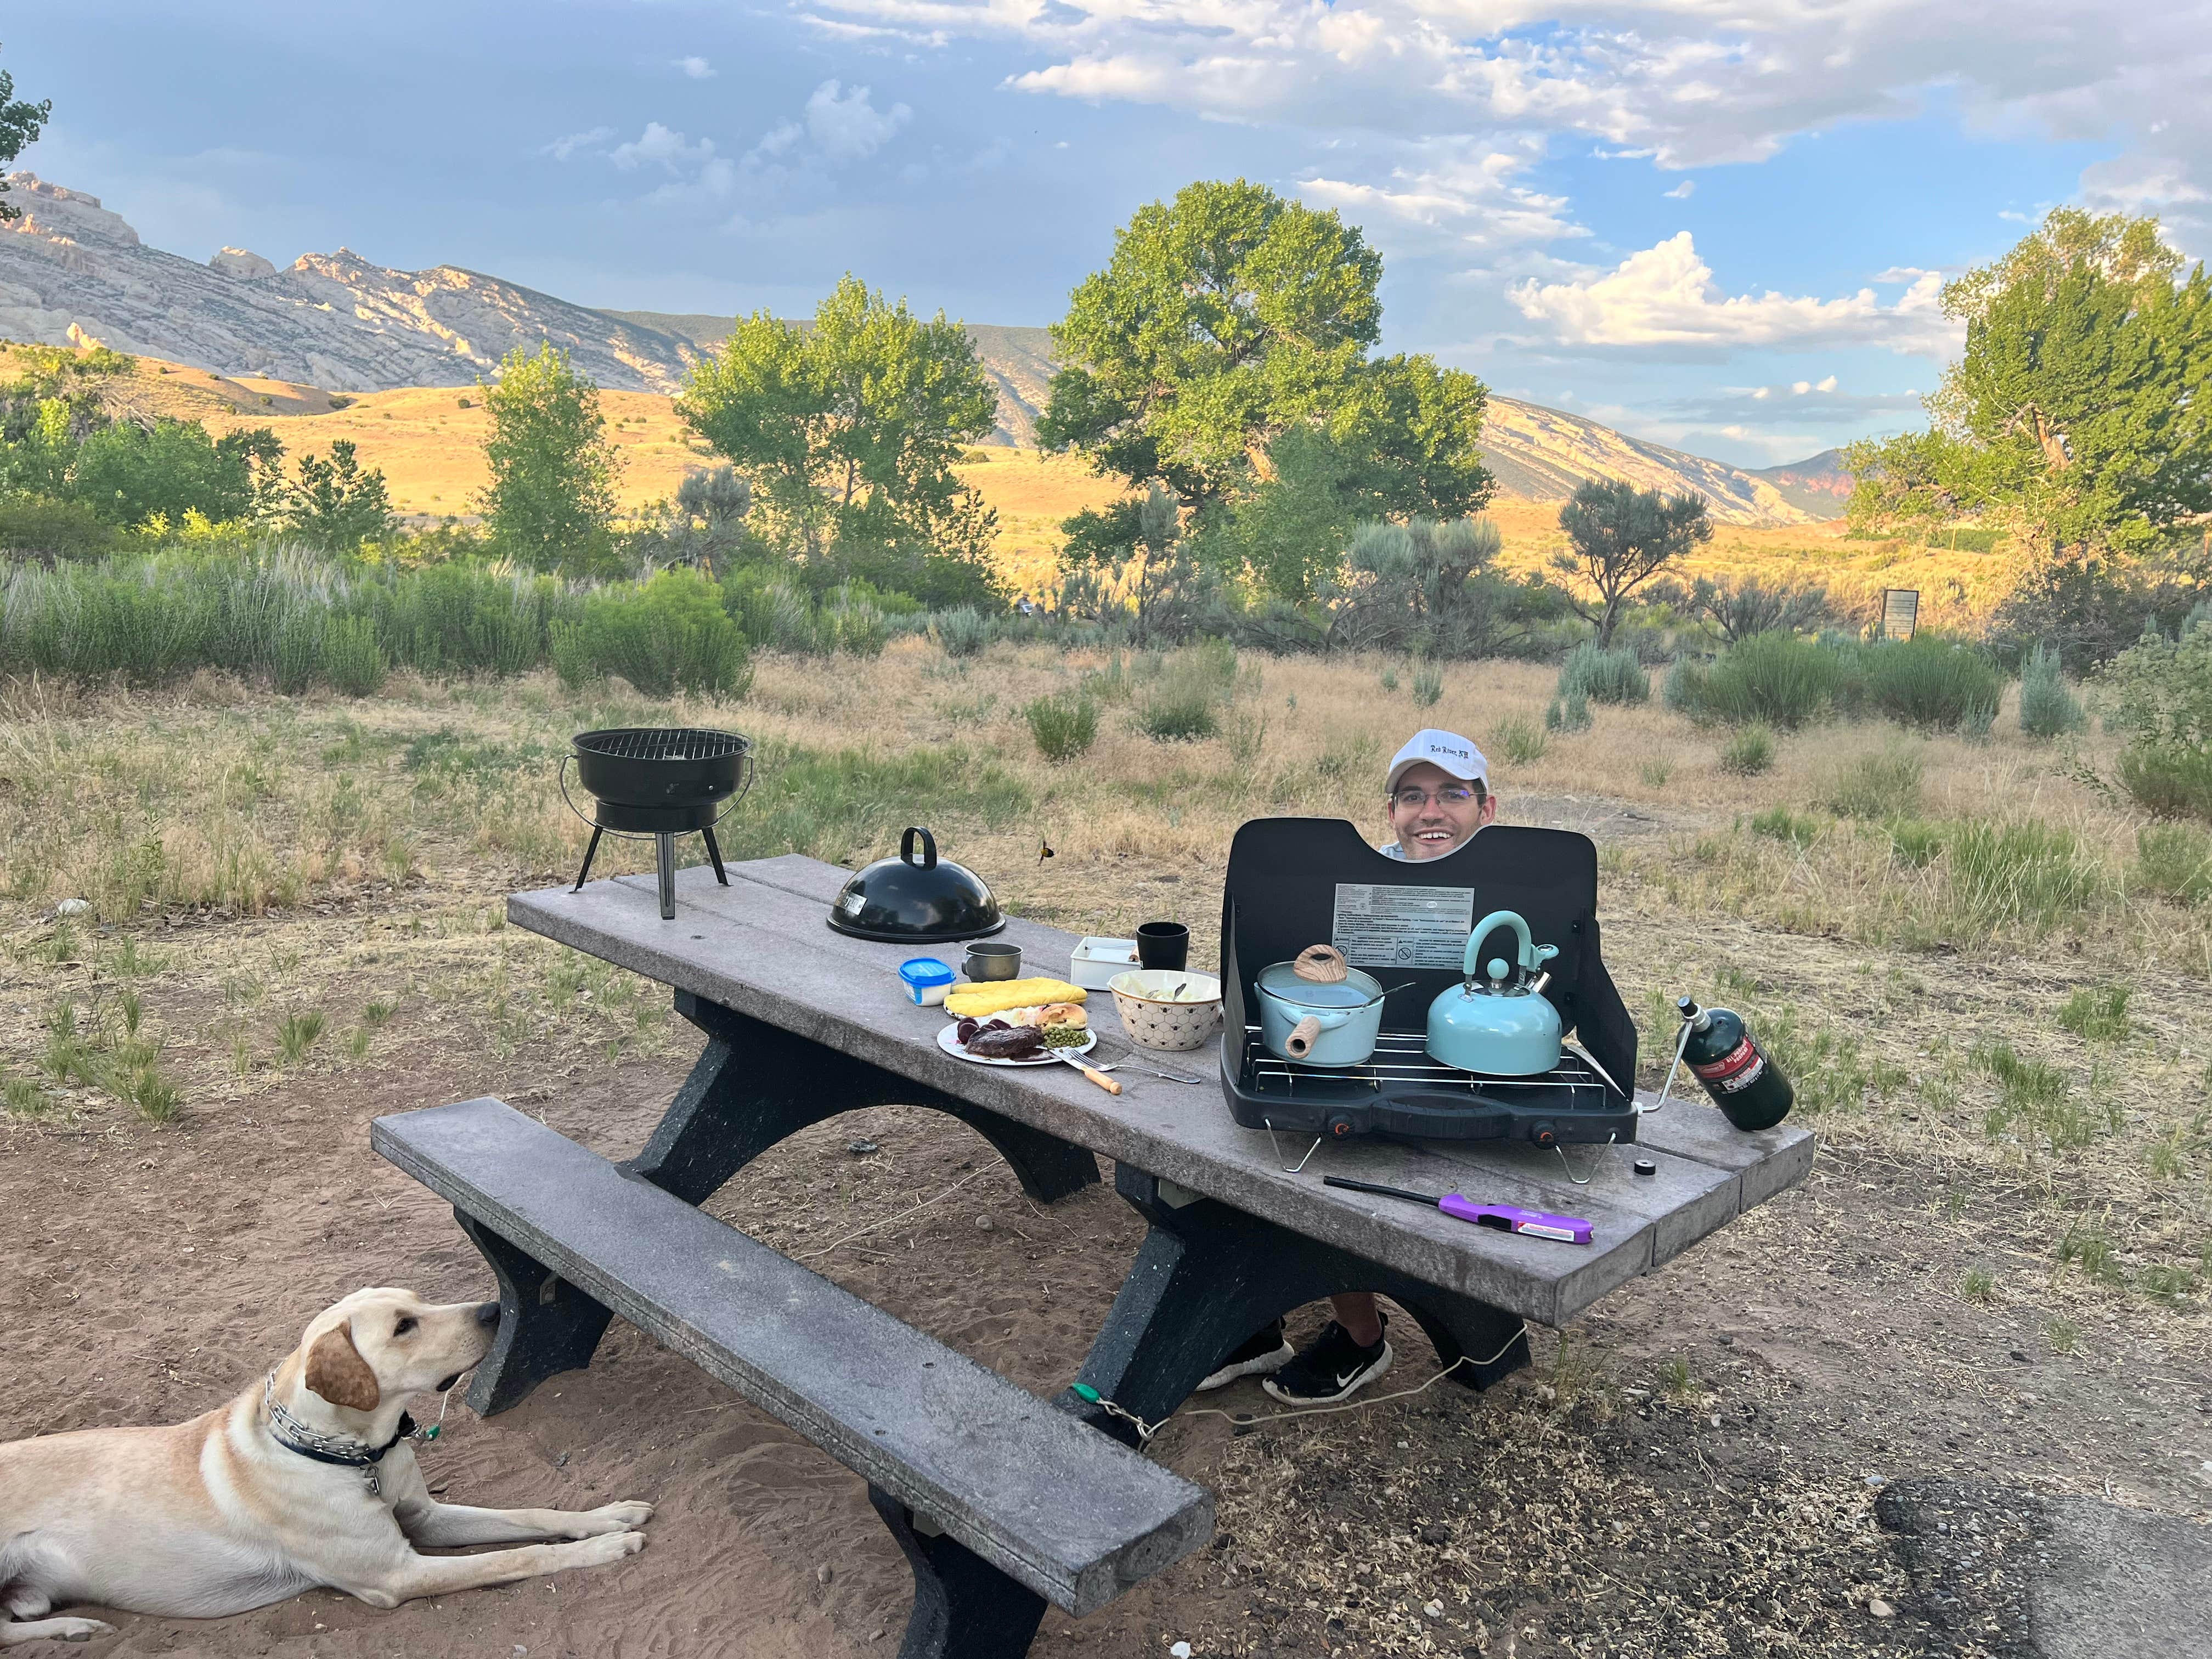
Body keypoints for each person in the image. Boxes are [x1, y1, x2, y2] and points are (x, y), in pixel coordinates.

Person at [1200, 727, 1499, 1406]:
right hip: (1348, 1060)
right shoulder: (1358, 884)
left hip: (1470, 1070)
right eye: (1412, 796)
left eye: (1453, 794)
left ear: (1487, 807)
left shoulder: (1512, 886)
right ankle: (1254, 1320)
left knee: (1345, 1178)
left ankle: (1362, 1339)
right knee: (1256, 1150)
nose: (1431, 812)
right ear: (1391, 812)